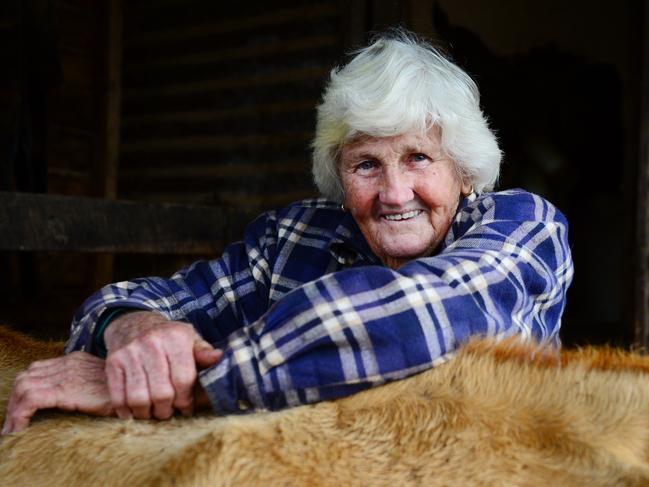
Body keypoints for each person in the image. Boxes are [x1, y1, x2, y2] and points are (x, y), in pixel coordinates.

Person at [2, 30, 573, 434]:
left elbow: (418, 315)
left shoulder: (526, 226)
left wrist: (188, 383)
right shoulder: (291, 237)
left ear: (465, 171)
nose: (394, 193)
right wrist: (137, 335)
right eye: (366, 164)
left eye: (419, 157)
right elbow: (131, 300)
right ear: (339, 175)